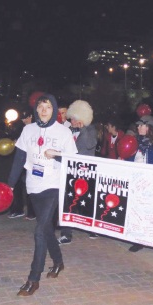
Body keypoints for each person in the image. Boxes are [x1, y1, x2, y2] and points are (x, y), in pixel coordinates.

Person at [7, 93, 77, 296]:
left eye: (48, 106)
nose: (44, 110)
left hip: (53, 184)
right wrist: (9, 186)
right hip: (33, 185)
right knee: (45, 229)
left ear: (54, 109)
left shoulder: (63, 132)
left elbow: (73, 160)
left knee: (38, 231)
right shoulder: (28, 130)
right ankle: (58, 262)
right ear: (36, 110)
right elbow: (19, 159)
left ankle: (33, 279)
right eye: (41, 106)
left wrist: (57, 156)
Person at [57, 100, 98, 244]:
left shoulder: (91, 130)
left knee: (86, 201)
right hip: (69, 171)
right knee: (67, 201)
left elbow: (90, 144)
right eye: (71, 117)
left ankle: (91, 228)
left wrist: (84, 129)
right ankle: (66, 234)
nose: (71, 120)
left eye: (74, 118)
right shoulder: (67, 130)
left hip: (85, 172)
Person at [124, 114, 153, 252]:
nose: (139, 127)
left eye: (142, 125)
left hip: (151, 184)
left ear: (149, 128)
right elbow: (129, 159)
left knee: (151, 213)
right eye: (138, 125)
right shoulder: (134, 143)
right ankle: (138, 239)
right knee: (136, 212)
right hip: (136, 183)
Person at [7, 107, 36, 220]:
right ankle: (17, 209)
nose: (25, 120)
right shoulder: (21, 128)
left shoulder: (36, 128)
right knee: (16, 183)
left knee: (30, 185)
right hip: (22, 160)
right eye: (23, 118)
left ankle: (32, 211)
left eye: (27, 118)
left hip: (32, 161)